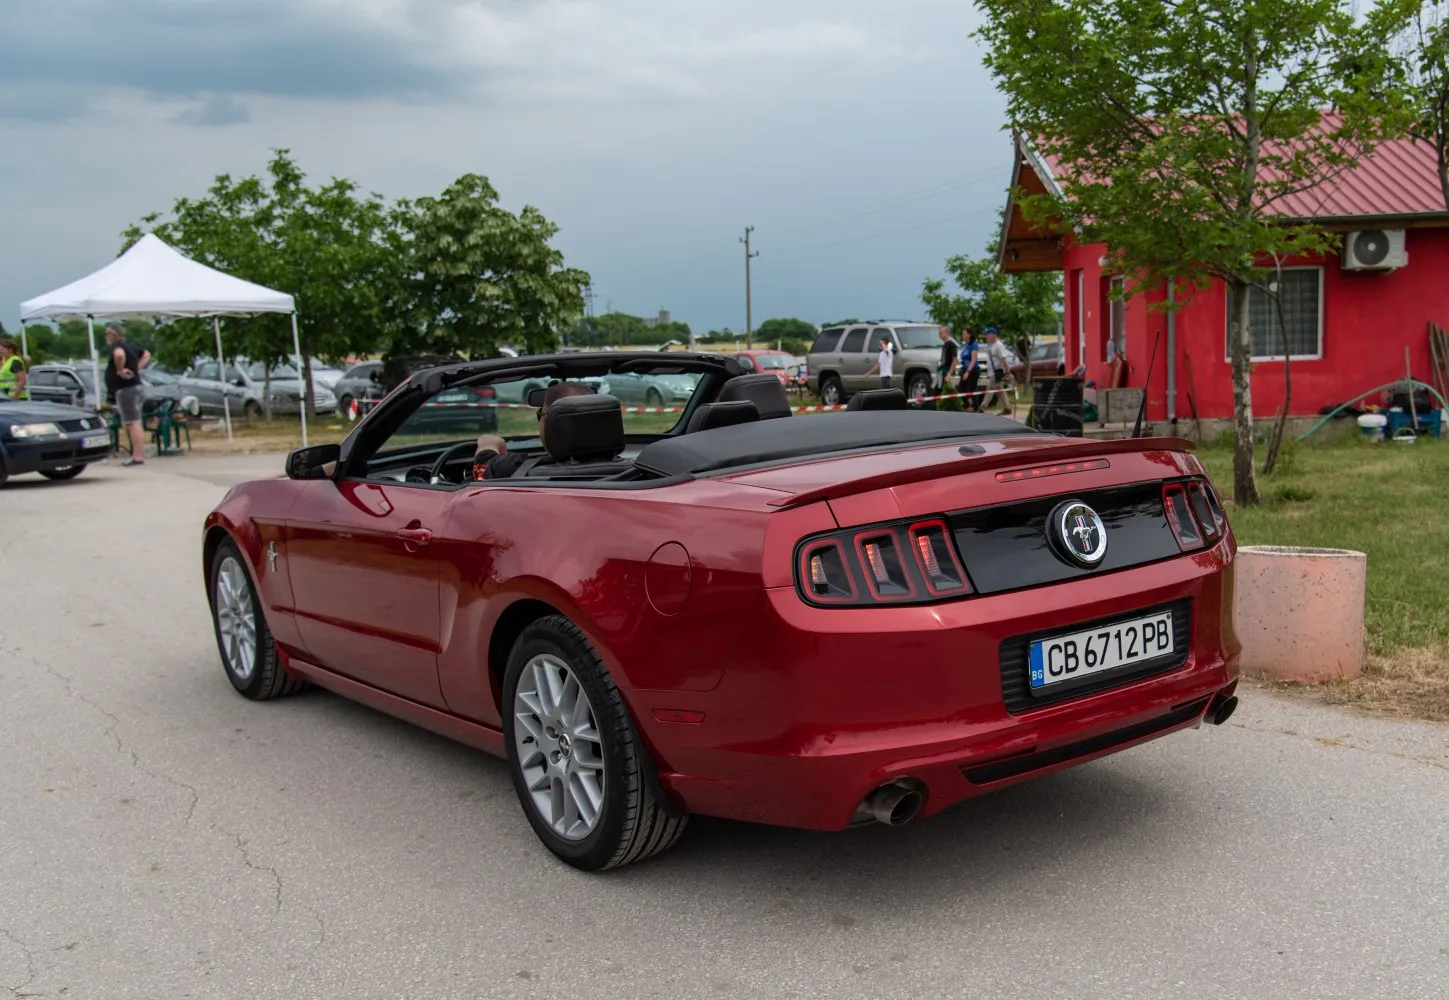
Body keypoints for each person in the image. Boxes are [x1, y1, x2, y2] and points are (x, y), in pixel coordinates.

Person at [471, 380, 594, 480]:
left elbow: (480, 472)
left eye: (540, 414)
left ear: (549, 421)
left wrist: (488, 445)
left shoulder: (520, 468)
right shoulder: (613, 468)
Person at [104, 324, 151, 467]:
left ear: (113, 334)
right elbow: (147, 354)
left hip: (126, 389)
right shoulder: (130, 345)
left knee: (132, 423)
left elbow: (119, 355)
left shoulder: (117, 345)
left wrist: (120, 369)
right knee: (136, 422)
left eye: (107, 334)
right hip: (136, 386)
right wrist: (137, 368)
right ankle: (137, 454)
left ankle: (137, 457)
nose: (106, 337)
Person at [981, 328, 1014, 417]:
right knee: (999, 390)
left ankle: (983, 406)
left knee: (991, 389)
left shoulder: (998, 345)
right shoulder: (990, 345)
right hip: (992, 372)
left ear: (993, 335)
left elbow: (1004, 359)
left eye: (987, 334)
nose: (985, 336)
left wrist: (1008, 373)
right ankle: (1007, 408)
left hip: (997, 372)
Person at [958, 329, 982, 411]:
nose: (963, 335)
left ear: (969, 335)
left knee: (971, 389)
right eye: (962, 334)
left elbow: (973, 360)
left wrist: (968, 372)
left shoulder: (974, 345)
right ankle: (966, 406)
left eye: (964, 334)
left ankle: (975, 407)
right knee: (961, 389)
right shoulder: (966, 345)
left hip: (973, 370)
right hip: (964, 369)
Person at [934, 326, 959, 397]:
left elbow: (955, 359)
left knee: (950, 391)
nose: (939, 335)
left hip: (948, 371)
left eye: (941, 333)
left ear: (947, 333)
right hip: (942, 371)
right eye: (939, 333)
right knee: (937, 390)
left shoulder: (951, 344)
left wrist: (949, 373)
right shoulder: (945, 344)